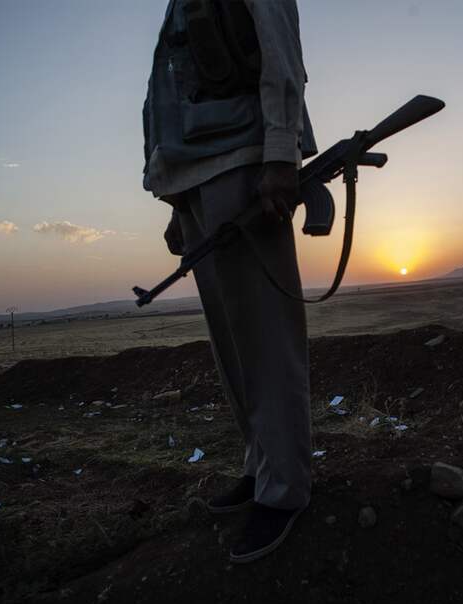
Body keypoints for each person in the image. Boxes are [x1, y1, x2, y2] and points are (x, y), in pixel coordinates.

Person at [141, 0, 317, 564]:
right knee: (233, 349)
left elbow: (281, 53)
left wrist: (281, 155)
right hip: (194, 170)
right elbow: (173, 88)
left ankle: (285, 487)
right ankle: (261, 467)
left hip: (242, 160)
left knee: (264, 341)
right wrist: (174, 197)